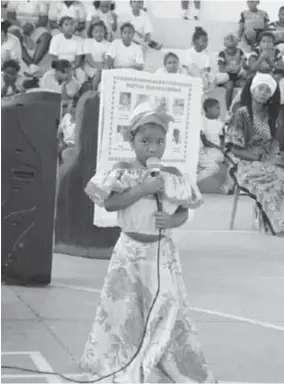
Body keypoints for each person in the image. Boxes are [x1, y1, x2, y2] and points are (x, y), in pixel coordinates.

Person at [79, 100, 216, 383]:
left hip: (160, 253)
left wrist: (171, 222)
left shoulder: (174, 176)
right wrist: (142, 188)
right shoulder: (121, 170)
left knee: (166, 305)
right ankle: (120, 358)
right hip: (128, 253)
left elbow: (182, 212)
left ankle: (162, 356)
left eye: (159, 141)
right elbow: (111, 204)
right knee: (124, 309)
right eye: (145, 141)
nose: (152, 148)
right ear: (132, 141)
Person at [226, 72, 284, 235]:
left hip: (268, 163)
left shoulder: (272, 117)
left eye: (267, 90)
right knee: (273, 183)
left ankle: (269, 219)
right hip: (245, 164)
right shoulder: (241, 113)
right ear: (252, 89)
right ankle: (277, 225)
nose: (263, 92)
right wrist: (256, 157)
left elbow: (274, 144)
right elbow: (234, 148)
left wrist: (273, 158)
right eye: (260, 88)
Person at [6, 0, 51, 75]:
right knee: (13, 34)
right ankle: (31, 64)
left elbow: (44, 20)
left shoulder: (42, 1)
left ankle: (33, 64)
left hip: (36, 26)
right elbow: (10, 17)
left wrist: (32, 26)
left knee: (46, 36)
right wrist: (22, 26)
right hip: (18, 25)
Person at [184, 27, 229, 91]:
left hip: (204, 76)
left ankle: (204, 84)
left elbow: (207, 70)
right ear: (196, 41)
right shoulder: (188, 52)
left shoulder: (206, 54)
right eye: (204, 41)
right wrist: (200, 73)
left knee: (225, 76)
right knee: (192, 66)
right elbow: (189, 68)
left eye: (207, 41)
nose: (206, 43)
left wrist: (204, 74)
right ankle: (204, 83)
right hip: (192, 76)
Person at [49, 16, 85, 84]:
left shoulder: (80, 40)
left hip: (72, 65)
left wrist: (71, 68)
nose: (70, 27)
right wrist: (61, 68)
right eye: (66, 25)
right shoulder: (56, 39)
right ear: (61, 28)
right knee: (53, 76)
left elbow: (78, 61)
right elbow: (53, 57)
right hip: (58, 65)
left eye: (72, 24)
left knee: (81, 74)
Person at [198, 98, 225, 182]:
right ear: (209, 109)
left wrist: (223, 147)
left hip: (217, 153)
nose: (219, 111)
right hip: (204, 152)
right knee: (214, 167)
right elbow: (205, 142)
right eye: (217, 108)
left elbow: (222, 137)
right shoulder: (201, 120)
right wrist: (219, 148)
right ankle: (195, 180)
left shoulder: (219, 122)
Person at [218, 34, 247, 110]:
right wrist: (232, 68)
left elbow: (245, 65)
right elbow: (221, 70)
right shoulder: (222, 54)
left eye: (233, 47)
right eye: (229, 48)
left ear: (236, 45)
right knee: (230, 86)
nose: (232, 50)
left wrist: (242, 64)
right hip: (226, 78)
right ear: (225, 45)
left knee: (245, 85)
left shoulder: (240, 52)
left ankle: (243, 107)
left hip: (237, 77)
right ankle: (228, 109)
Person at [83, 20, 110, 91]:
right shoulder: (87, 42)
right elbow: (89, 59)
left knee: (106, 74)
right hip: (90, 65)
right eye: (96, 32)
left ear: (104, 32)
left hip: (103, 66)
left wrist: (103, 67)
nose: (99, 34)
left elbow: (107, 61)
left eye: (101, 31)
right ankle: (93, 92)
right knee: (98, 73)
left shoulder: (109, 44)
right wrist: (98, 68)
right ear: (92, 33)